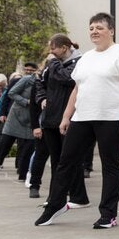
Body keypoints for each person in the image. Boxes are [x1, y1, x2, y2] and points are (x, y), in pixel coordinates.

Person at [34, 13, 119, 229]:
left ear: (111, 30)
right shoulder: (86, 58)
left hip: (111, 118)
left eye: (99, 27)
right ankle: (55, 205)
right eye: (91, 27)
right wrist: (66, 116)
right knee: (66, 162)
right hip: (82, 117)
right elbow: (77, 88)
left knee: (110, 165)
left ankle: (108, 214)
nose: (94, 31)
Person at [30, 35, 88, 204]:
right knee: (56, 160)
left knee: (70, 159)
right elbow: (40, 83)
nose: (51, 53)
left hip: (68, 118)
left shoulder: (78, 62)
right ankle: (55, 198)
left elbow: (66, 78)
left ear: (64, 48)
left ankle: (78, 197)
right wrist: (42, 99)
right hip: (50, 118)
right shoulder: (51, 66)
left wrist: (53, 63)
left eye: (53, 49)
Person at [0, 62, 38, 182]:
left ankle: (22, 173)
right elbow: (9, 94)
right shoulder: (22, 80)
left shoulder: (44, 83)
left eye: (32, 69)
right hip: (15, 117)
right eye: (27, 69)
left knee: (27, 148)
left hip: (31, 119)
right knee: (3, 144)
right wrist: (26, 101)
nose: (29, 71)